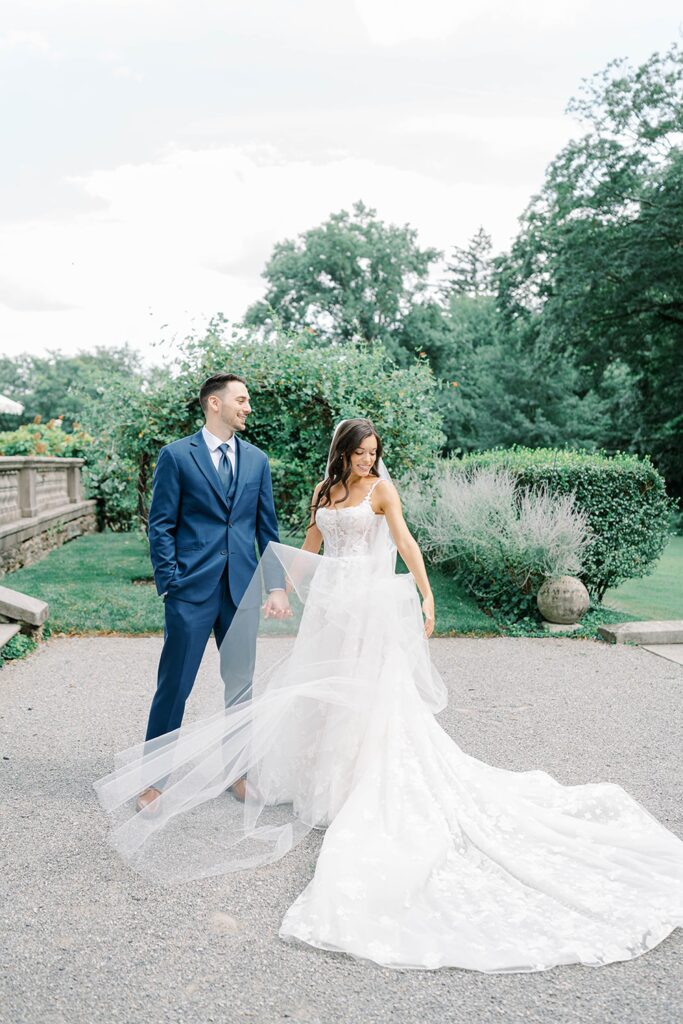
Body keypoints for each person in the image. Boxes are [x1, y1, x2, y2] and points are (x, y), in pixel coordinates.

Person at [95, 418, 683, 973]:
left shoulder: (381, 492)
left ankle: (358, 780)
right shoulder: (326, 493)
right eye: (362, 452)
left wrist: (426, 598)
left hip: (369, 610)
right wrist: (278, 593)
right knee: (320, 694)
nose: (370, 459)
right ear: (343, 451)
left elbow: (405, 544)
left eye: (375, 453)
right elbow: (306, 551)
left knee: (368, 698)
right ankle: (317, 777)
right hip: (327, 609)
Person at [137, 372, 290, 812]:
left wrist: (275, 586)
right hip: (190, 590)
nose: (248, 408)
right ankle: (152, 782)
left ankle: (238, 775)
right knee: (174, 686)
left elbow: (267, 530)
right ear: (214, 404)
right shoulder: (177, 456)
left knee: (240, 687)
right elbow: (161, 525)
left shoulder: (257, 460)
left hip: (241, 590)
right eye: (241, 400)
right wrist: (171, 582)